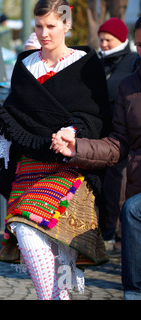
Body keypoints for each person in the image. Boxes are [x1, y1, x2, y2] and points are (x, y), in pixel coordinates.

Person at [0, 0, 110, 300]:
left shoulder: (86, 63)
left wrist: (73, 132)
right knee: (32, 236)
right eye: (39, 26)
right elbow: (14, 121)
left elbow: (95, 115)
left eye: (51, 26)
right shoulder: (24, 65)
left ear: (67, 25)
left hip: (69, 167)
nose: (44, 33)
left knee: (50, 240)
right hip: (29, 165)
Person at [51, 16, 141, 301]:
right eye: (140, 44)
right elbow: (118, 144)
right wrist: (77, 147)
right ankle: (134, 291)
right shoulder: (129, 86)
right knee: (133, 210)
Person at [97, 17, 138, 255]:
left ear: (121, 40)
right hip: (101, 133)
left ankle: (116, 234)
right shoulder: (100, 62)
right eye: (101, 39)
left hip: (123, 133)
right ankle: (105, 231)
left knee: (118, 185)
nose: (103, 44)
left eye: (108, 40)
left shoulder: (131, 61)